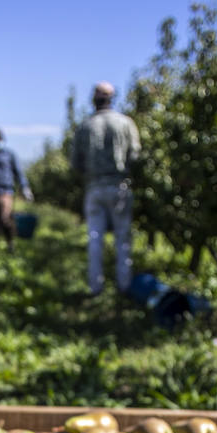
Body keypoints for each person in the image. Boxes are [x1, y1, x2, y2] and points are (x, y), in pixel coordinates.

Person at [71, 81, 141, 296]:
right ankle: (124, 285)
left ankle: (96, 287)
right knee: (122, 238)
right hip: (118, 185)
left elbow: (75, 162)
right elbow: (136, 155)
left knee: (95, 238)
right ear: (113, 98)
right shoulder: (125, 123)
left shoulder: (85, 126)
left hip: (94, 187)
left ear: (94, 99)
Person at [0, 128, 33, 256]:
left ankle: (10, 245)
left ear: (2, 139)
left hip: (5, 192)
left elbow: (18, 172)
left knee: (5, 219)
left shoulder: (9, 155)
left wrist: (25, 187)